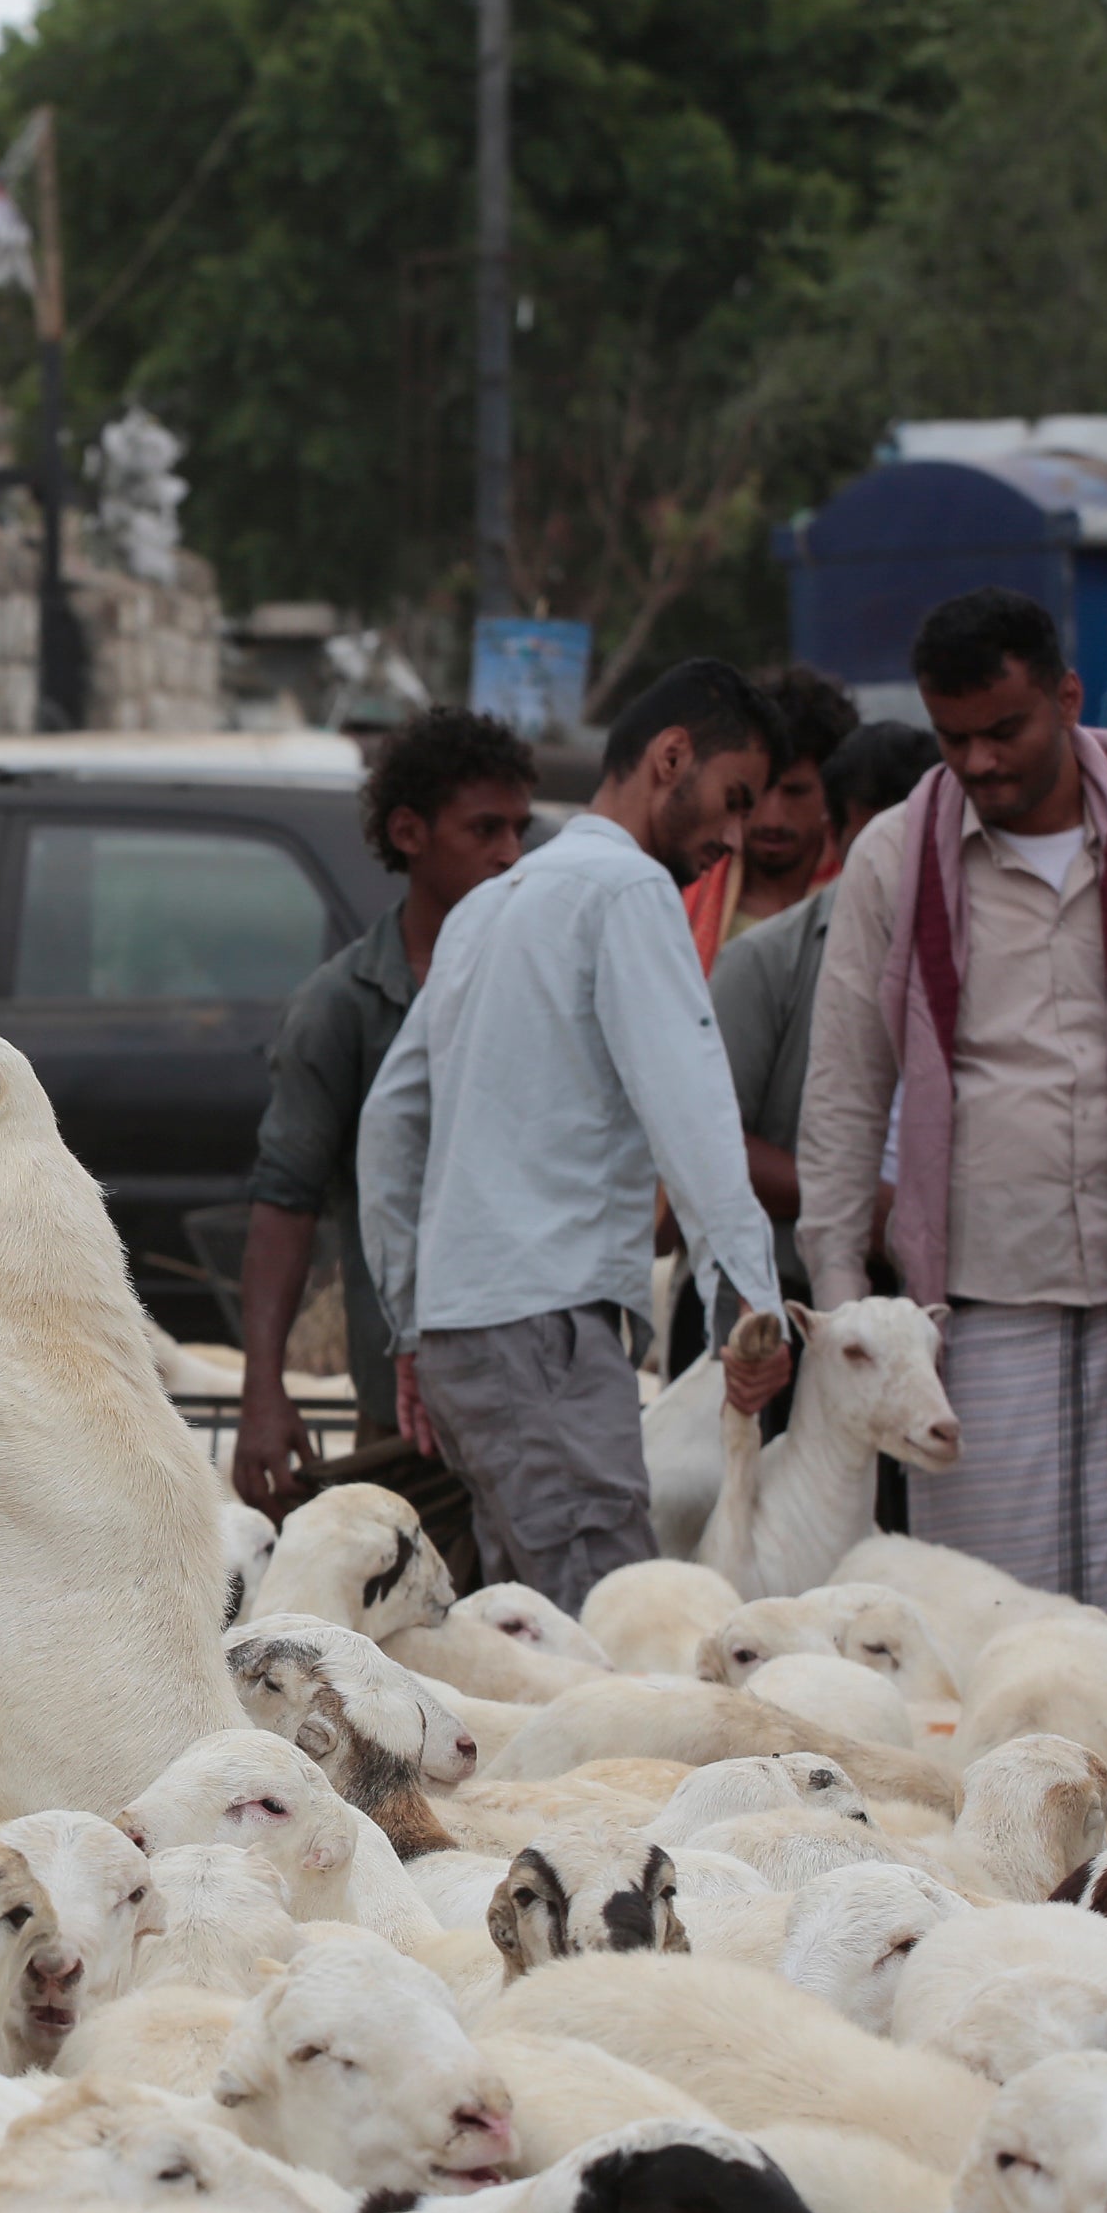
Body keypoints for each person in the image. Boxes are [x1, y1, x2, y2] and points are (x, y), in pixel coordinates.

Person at [804, 587, 1107, 1678]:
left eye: (1004, 729)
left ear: (1066, 698)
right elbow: (843, 1096)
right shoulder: (894, 857)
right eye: (952, 736)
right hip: (980, 1304)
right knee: (991, 1637)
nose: (978, 760)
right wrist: (844, 1314)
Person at [357, 664, 795, 1610]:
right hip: (544, 1330)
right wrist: (754, 1306)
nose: (733, 836)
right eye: (732, 799)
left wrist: (409, 1323)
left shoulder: (490, 905)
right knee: (612, 1632)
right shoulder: (629, 892)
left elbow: (392, 1124)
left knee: (537, 1648)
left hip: (466, 1338)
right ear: (670, 757)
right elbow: (695, 1116)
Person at [234, 706, 537, 1514]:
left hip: (538, 1388)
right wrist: (262, 1392)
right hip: (400, 1401)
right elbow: (284, 1204)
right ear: (409, 832)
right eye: (484, 830)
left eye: (520, 829)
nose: (511, 854)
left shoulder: (540, 985)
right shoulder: (341, 1007)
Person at [703, 715, 941, 1336]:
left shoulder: (989, 960)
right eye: (877, 832)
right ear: (837, 835)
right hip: (783, 1302)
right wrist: (861, 1203)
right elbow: (713, 1144)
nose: (898, 853)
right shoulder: (764, 961)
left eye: (915, 832)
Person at [683, 667, 859, 972]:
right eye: (759, 791)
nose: (773, 819)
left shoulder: (862, 897)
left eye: (796, 792)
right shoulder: (682, 889)